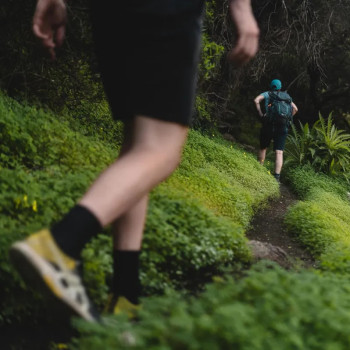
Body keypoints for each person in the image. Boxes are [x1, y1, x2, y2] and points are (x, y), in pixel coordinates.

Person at [10, 0, 260, 322]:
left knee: (139, 145)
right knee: (161, 150)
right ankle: (61, 244)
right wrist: (241, 9)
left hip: (110, 12)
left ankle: (125, 295)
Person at [254, 79, 298, 182]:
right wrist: (287, 118)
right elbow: (295, 109)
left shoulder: (268, 94)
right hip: (282, 126)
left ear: (271, 86)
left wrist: (261, 114)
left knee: (263, 148)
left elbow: (256, 100)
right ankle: (276, 177)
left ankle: (259, 169)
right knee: (279, 152)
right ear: (280, 87)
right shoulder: (286, 97)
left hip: (268, 124)